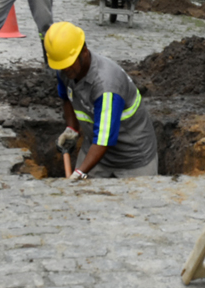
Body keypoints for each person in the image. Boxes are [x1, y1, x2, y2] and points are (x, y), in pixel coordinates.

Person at [44, 22, 159, 180]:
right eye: (61, 65)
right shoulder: (65, 70)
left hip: (133, 159)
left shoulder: (107, 86)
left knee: (136, 204)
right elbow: (67, 98)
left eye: (68, 64)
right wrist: (72, 128)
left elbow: (103, 140)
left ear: (84, 51)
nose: (64, 70)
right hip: (95, 150)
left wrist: (79, 173)